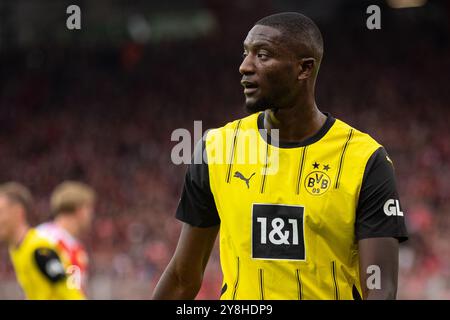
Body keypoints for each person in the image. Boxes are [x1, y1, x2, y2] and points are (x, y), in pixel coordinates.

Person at [153, 12, 408, 300]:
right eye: (245, 53)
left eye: (262, 55)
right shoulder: (217, 149)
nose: (244, 67)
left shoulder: (365, 159)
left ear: (304, 69)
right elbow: (182, 278)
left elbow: (380, 289)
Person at [0, 182, 84, 299]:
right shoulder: (17, 249)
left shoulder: (39, 249)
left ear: (18, 212)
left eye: (1, 211)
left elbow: (69, 291)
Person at [37, 181, 96, 296]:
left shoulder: (75, 247)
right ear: (79, 210)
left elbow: (75, 290)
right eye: (89, 209)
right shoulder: (44, 238)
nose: (91, 215)